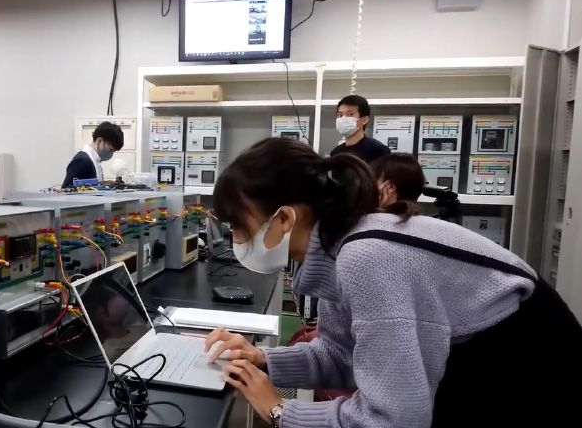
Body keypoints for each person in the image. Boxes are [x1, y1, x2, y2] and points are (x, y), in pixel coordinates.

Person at [202, 138, 582, 427]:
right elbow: (342, 355)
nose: (236, 239)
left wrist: (280, 410)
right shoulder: (338, 244)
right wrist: (264, 360)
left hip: (528, 365)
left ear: (284, 219)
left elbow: (392, 419)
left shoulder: (366, 256)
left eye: (239, 226)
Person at [62, 121, 124, 188]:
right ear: (100, 141)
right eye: (110, 150)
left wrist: (104, 184)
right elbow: (66, 190)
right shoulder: (82, 161)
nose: (111, 154)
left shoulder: (95, 162)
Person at [330, 95, 390, 163]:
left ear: (364, 120)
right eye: (340, 115)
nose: (343, 119)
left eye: (350, 114)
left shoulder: (378, 150)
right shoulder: (336, 153)